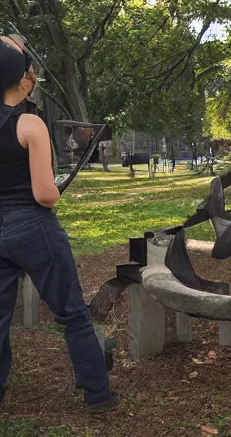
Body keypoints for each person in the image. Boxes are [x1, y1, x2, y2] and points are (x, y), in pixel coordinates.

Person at [0, 37, 116, 412]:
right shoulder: (30, 124)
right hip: (32, 227)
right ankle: (98, 394)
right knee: (71, 312)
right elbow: (45, 195)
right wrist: (57, 186)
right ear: (23, 83)